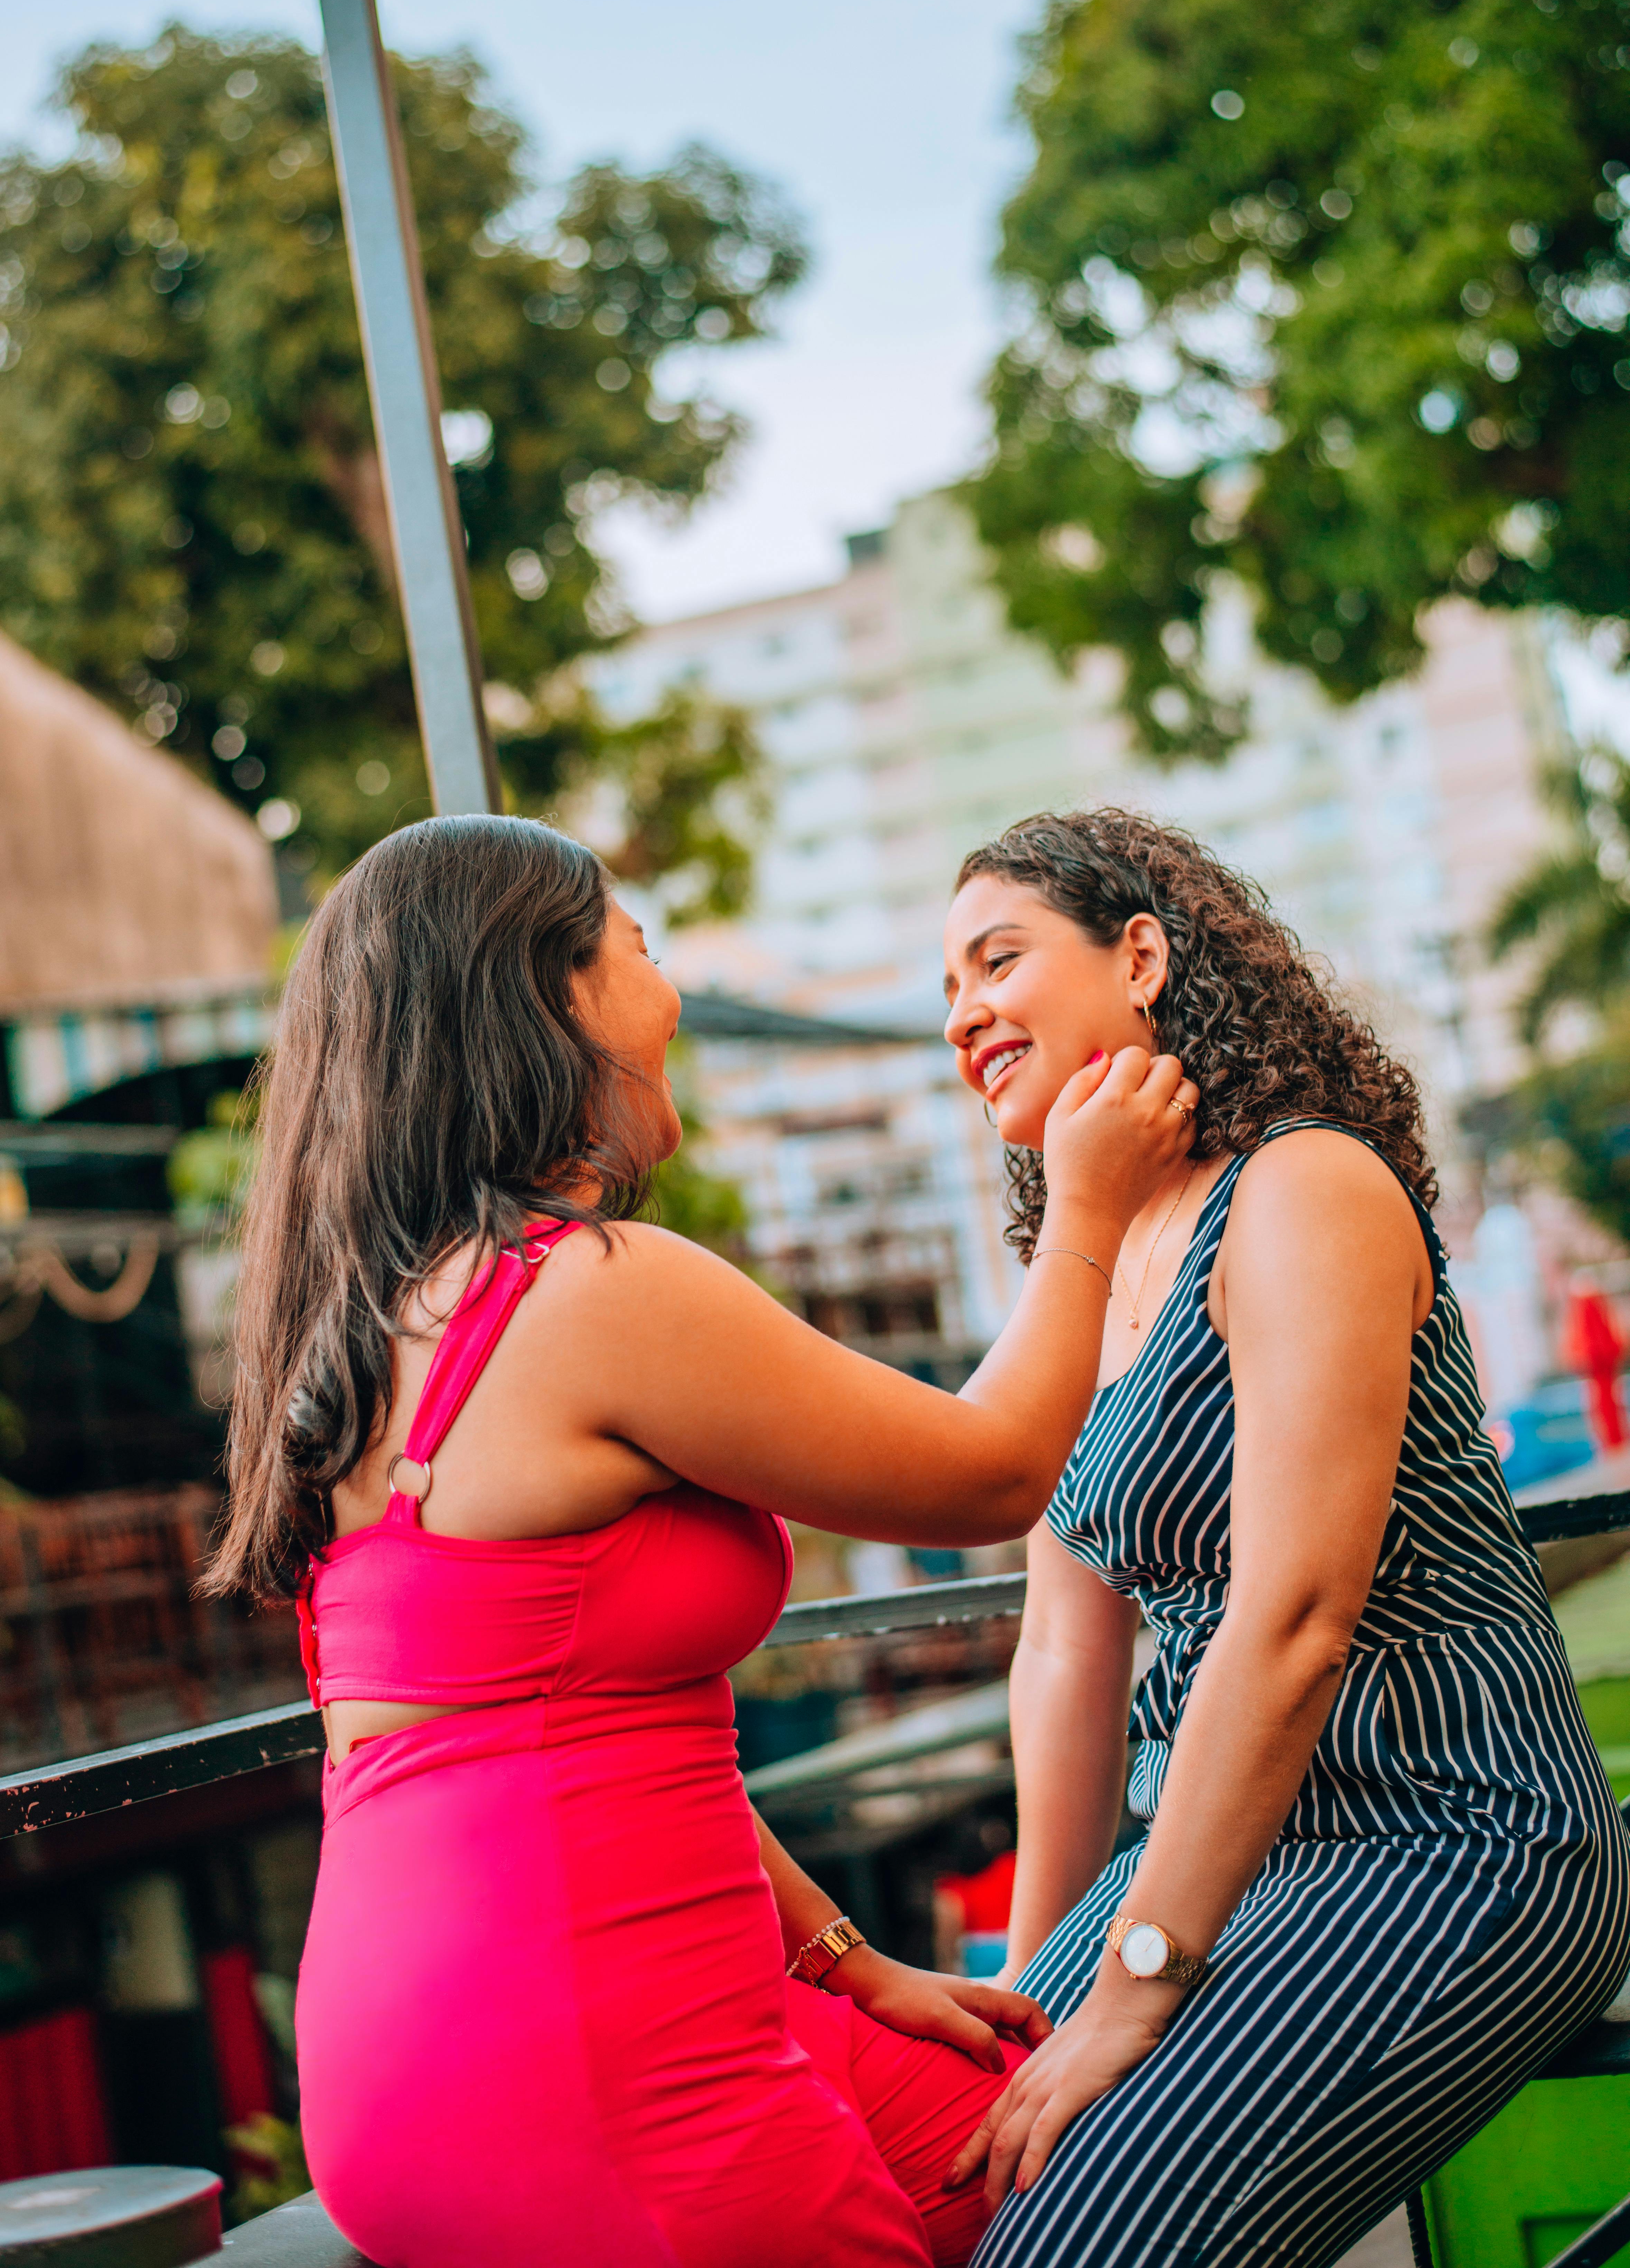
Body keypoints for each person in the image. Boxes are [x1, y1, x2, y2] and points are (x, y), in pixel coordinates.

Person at [202, 812, 1199, 2268]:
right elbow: (989, 1472)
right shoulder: (592, 1293)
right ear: (552, 998)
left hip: (435, 2045)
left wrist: (855, 1966)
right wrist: (1089, 1206)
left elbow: (577, 1730)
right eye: (641, 951)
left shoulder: (372, 1328)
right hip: (587, 2054)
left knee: (1037, 2148)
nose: (668, 998)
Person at [937, 809, 1630, 2268]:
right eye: (947, 990)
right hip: (1228, 1854)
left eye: (998, 960)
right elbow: (1065, 1645)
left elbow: (1298, 1615)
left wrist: (1130, 1993)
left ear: (1140, 955)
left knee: (1080, 2250)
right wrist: (1025, 1989)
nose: (965, 1014)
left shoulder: (1303, 1188)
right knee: (953, 2174)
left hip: (1454, 1836)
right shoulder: (1093, 1256)